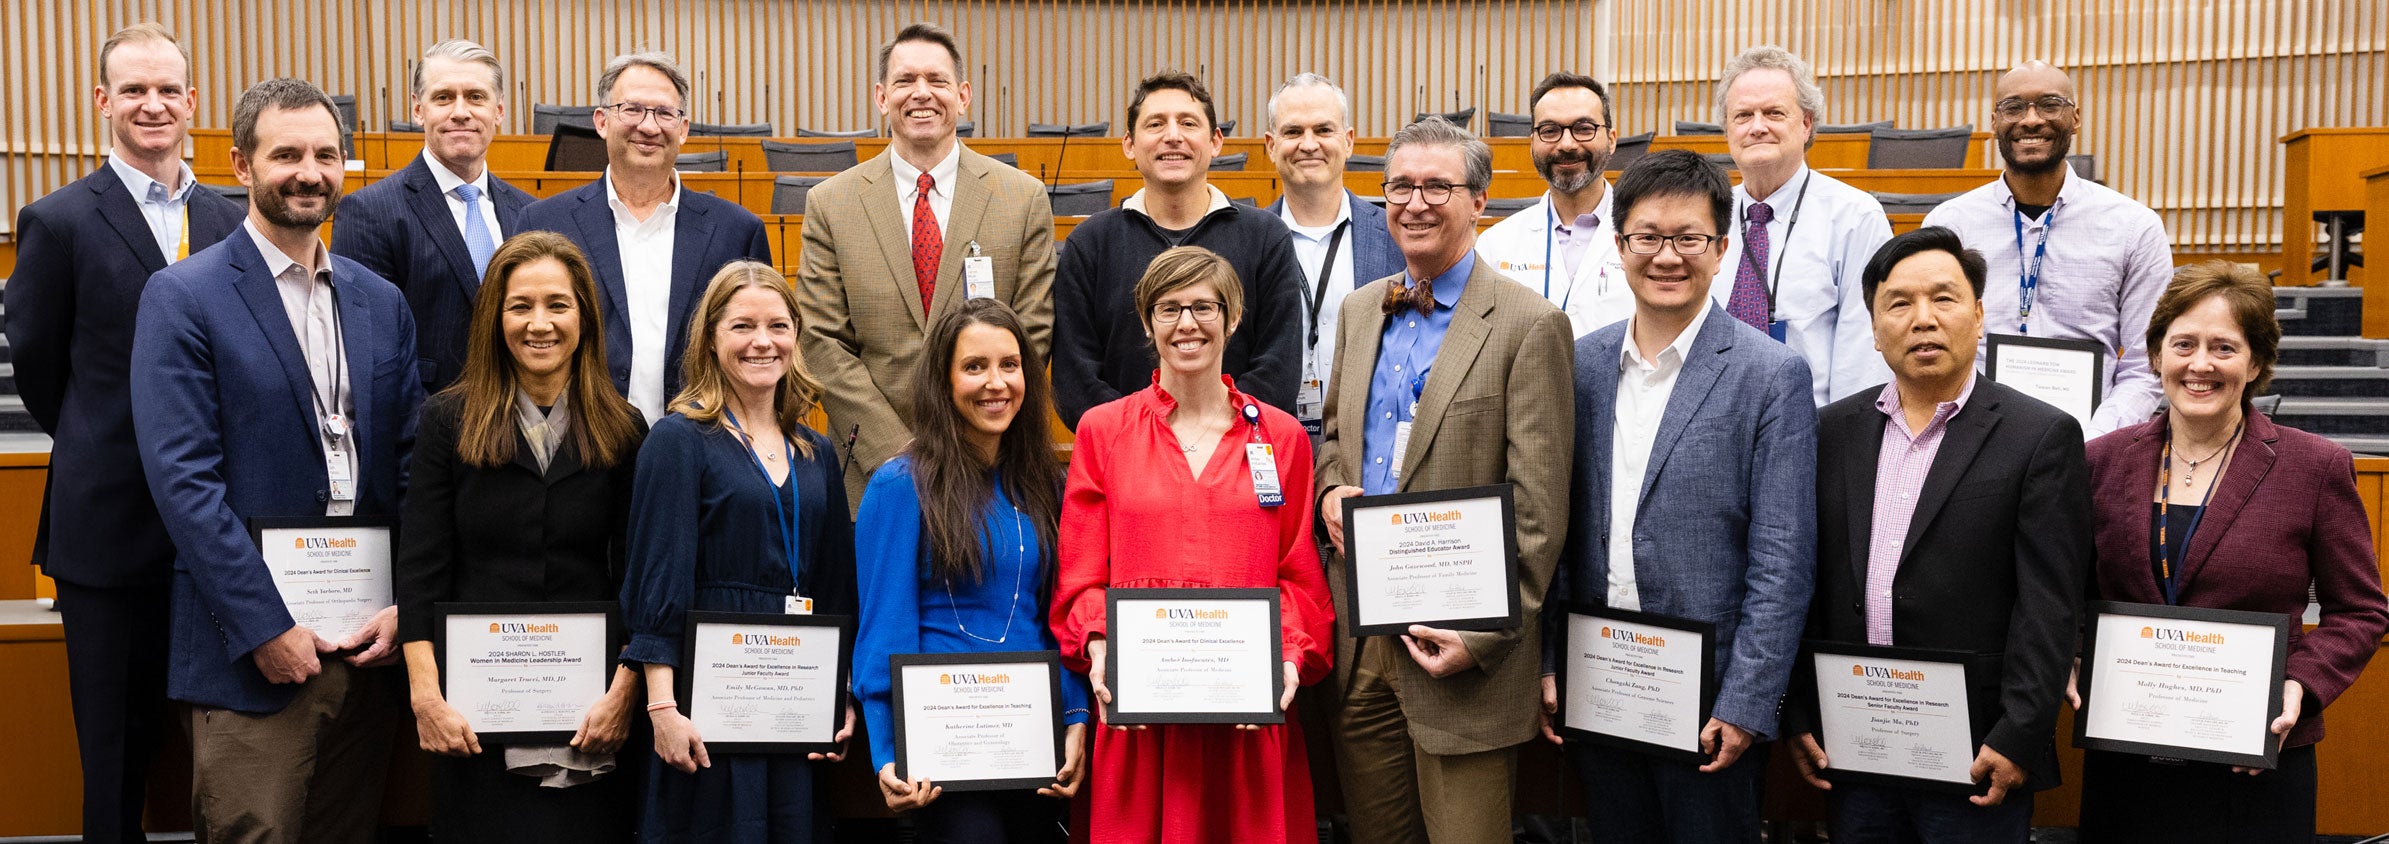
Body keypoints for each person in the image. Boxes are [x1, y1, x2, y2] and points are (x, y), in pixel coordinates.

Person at [130, 77, 423, 843]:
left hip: (367, 648)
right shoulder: (182, 296)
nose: (309, 171)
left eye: (327, 154)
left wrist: (406, 606)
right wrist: (265, 625)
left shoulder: (380, 301)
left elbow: (410, 466)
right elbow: (184, 483)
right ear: (240, 164)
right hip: (251, 655)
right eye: (286, 153)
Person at [0, 23, 244, 843]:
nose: (152, 104)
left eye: (167, 89)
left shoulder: (230, 219)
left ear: (192, 103)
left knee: (229, 743)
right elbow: (40, 371)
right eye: (133, 90)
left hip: (222, 527)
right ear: (102, 101)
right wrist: (110, 438)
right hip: (108, 526)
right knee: (113, 753)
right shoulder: (57, 220)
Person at [1783, 226, 2092, 843]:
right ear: (1873, 329)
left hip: (1978, 751)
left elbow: (2050, 603)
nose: (1922, 319)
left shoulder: (2039, 436)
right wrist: (1796, 713)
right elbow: (1800, 581)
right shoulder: (1829, 432)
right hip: (1855, 739)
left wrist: (2020, 734)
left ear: (1979, 315)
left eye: (1943, 299)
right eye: (1899, 303)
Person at [1543, 149, 1816, 844]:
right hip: (1599, 679)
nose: (1667, 256)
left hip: (1710, 701)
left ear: (1721, 248)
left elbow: (1781, 562)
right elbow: (1557, 532)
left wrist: (1748, 704)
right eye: (1648, 237)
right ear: (1619, 245)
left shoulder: (1771, 375)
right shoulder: (1579, 364)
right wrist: (1550, 664)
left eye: (1688, 238)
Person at [1314, 117, 1574, 844]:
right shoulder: (1361, 309)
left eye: (1437, 185)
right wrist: (1331, 489)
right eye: (1400, 185)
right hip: (1359, 639)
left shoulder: (1529, 324)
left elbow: (1540, 510)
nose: (1416, 203)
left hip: (1458, 647)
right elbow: (1335, 437)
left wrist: (1481, 635)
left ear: (1480, 200)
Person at [2073, 261, 2389, 843]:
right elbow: (2069, 591)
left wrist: (2300, 684)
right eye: (2183, 344)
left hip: (2256, 763)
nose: (2200, 364)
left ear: (2257, 363)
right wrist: (2071, 653)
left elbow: (2361, 611)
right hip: (2126, 760)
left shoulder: (2314, 468)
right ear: (2154, 355)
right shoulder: (2101, 462)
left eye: (2224, 347)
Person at [1049, 246, 1334, 842]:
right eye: (1169, 308)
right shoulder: (1104, 431)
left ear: (1233, 320)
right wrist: (1100, 643)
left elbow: (1299, 575)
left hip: (1247, 718)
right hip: (1138, 717)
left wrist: (1288, 654)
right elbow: (1080, 576)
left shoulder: (1281, 437)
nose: (1187, 323)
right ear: (1147, 322)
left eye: (1204, 307)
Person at [394, 231, 649, 842]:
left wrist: (623, 693)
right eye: (520, 306)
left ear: (584, 316)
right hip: (474, 719)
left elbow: (640, 578)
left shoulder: (625, 428)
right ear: (494, 318)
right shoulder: (447, 421)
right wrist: (427, 698)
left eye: (558, 305)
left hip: (591, 716)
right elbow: (421, 570)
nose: (540, 324)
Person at [620, 260, 858, 843]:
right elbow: (658, 581)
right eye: (742, 326)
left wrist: (839, 696)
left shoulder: (816, 450)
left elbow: (835, 587)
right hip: (708, 701)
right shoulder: (677, 440)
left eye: (778, 326)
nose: (762, 342)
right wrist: (661, 708)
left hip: (795, 700)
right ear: (710, 338)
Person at [853, 298, 1088, 843]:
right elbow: (884, 629)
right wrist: (888, 752)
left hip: (1034, 742)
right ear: (944, 379)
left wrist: (1075, 718)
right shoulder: (899, 486)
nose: (996, 383)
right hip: (942, 753)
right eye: (974, 366)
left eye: (1010, 365)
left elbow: (1061, 614)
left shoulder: (1045, 485)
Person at [799, 23, 1058, 513]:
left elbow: (1032, 331)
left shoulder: (1021, 199)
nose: (922, 93)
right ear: (881, 97)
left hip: (989, 468)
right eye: (905, 81)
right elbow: (821, 341)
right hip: (872, 482)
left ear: (963, 96)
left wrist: (965, 446)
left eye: (937, 80)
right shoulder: (831, 204)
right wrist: (898, 457)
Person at [519, 51, 775, 424]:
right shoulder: (544, 223)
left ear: (683, 129)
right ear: (602, 121)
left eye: (664, 113)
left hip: (700, 450)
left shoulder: (737, 231)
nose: (649, 126)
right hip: (576, 451)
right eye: (633, 109)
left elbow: (759, 352)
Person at [1921, 60, 2169, 437]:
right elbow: (1931, 344)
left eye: (2050, 104)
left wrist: (2091, 439)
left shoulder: (2133, 227)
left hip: (2089, 441)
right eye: (2014, 107)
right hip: (1969, 438)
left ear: (2076, 118)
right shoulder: (1951, 225)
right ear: (1995, 121)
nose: (2031, 120)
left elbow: (2145, 364)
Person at [1050, 71, 1305, 427]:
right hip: (1122, 460)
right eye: (1155, 124)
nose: (1173, 136)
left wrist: (1211, 436)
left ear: (1216, 141)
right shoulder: (1090, 243)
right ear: (1129, 144)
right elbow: (1074, 379)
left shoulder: (1266, 238)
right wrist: (1146, 439)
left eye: (1188, 123)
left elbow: (1278, 367)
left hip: (1236, 457)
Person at [333, 39, 537, 392]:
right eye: (443, 97)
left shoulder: (528, 212)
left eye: (476, 97)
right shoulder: (369, 213)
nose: (461, 111)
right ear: (418, 109)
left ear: (499, 111)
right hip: (429, 431)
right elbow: (370, 354)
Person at [1710, 46, 1893, 405]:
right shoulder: (1707, 216)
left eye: (1774, 113)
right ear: (1728, 129)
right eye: (1743, 115)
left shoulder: (1855, 217)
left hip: (1810, 427)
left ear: (1806, 123)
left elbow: (1864, 353)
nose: (1757, 127)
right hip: (1715, 425)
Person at [1259, 73, 1405, 435]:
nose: (1308, 144)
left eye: (1323, 130)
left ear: (1349, 140)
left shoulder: (1396, 236)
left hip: (1371, 448)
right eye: (1293, 132)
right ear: (1271, 145)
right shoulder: (1246, 241)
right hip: (1270, 446)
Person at [1475, 71, 1632, 337]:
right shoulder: (1494, 246)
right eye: (1550, 131)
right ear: (1532, 143)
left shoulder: (1649, 239)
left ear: (1611, 140)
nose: (1567, 144)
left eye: (1584, 129)